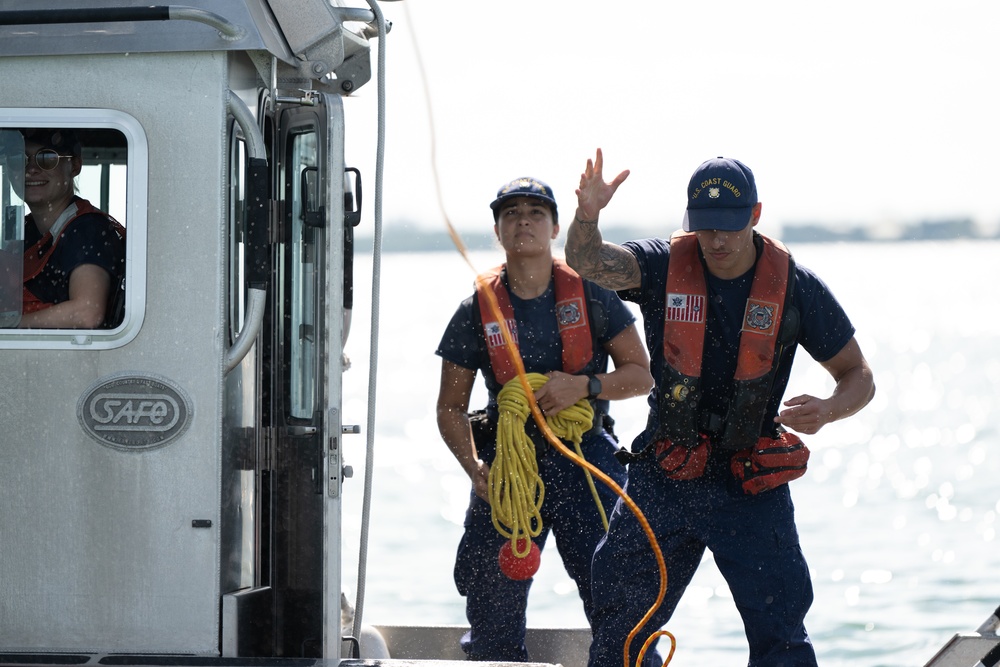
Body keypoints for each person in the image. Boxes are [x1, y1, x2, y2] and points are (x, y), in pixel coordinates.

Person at [564, 151, 876, 667]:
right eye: (705, 228)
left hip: (749, 481)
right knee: (619, 625)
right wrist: (587, 217)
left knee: (782, 637)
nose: (718, 241)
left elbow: (859, 377)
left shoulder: (797, 286)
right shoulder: (663, 264)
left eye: (730, 226)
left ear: (755, 215)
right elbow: (587, 261)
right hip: (665, 474)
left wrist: (828, 409)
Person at [436, 177, 654, 662]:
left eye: (535, 212)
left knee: (617, 593)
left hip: (585, 457)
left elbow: (641, 376)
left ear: (555, 227)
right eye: (511, 213)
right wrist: (475, 468)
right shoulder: (476, 309)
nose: (524, 221)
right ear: (497, 230)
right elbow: (450, 407)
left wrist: (583, 385)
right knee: (491, 599)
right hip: (509, 466)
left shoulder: (594, 293)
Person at [18, 128, 125, 329]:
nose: (30, 169)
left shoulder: (88, 229)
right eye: (20, 158)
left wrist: (11, 325)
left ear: (74, 165)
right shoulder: (25, 230)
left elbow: (87, 312)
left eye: (47, 157)